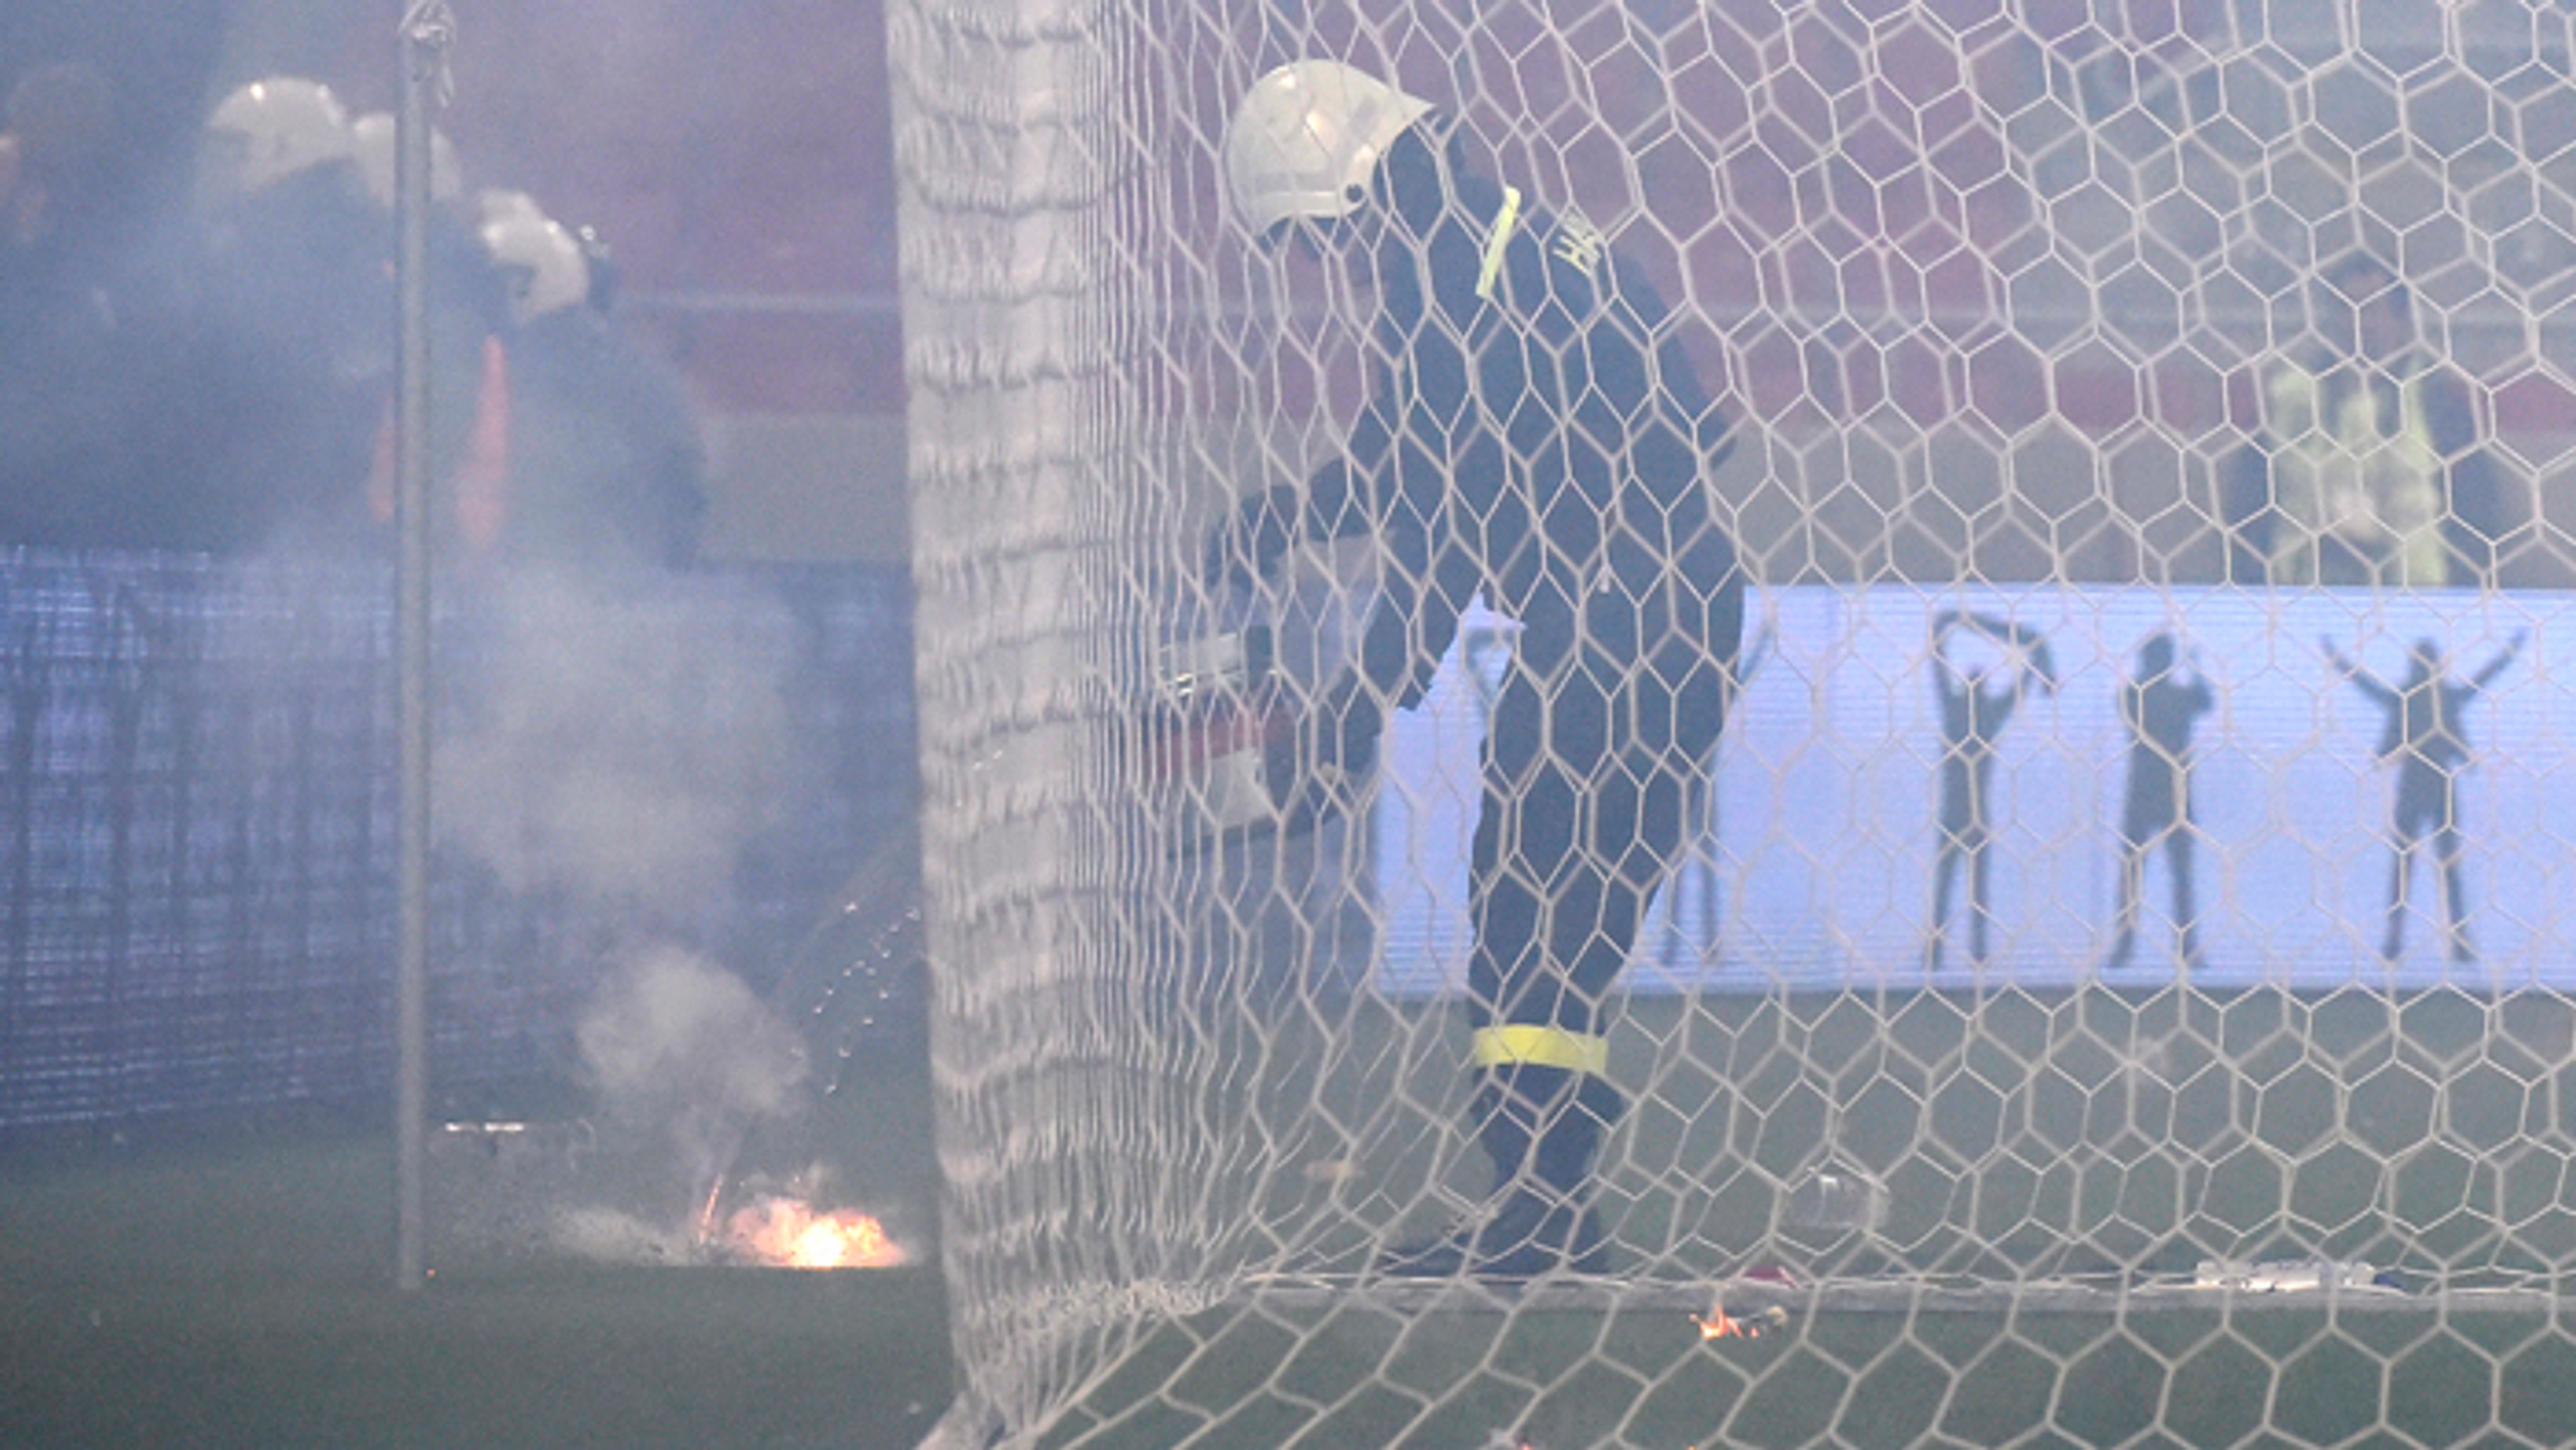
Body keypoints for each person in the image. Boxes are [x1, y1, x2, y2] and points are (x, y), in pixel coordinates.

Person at [1206, 60, 1744, 1278]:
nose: (1324, 266)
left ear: (1354, 192)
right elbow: (1431, 451)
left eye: (1313, 237)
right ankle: (1549, 1215)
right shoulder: (1515, 244)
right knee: (1564, 930)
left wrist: (1354, 707)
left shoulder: (1452, 279)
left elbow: (1443, 518)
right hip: (1662, 614)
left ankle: (1536, 1222)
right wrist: (1296, 514)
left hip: (1612, 630)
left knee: (1522, 921)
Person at [2225, 254, 2502, 588]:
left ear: (2402, 321)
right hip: (2299, 600)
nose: (2357, 323)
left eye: (2370, 308)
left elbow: (2475, 515)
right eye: (2344, 308)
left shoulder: (2439, 406)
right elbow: (2249, 509)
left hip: (2418, 601)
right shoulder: (2287, 401)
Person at [2321, 631, 2525, 964]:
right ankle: (2431, 940)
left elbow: (2366, 685)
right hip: (2431, 785)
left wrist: (2337, 658)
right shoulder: (2438, 696)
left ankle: (2422, 940)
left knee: (2417, 864)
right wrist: (2511, 652)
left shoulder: (2415, 697)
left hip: (2422, 786)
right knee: (2431, 865)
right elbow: (2481, 680)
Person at [1923, 609, 2056, 973]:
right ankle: (1964, 949)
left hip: (1959, 813)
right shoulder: (1986, 716)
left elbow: (1938, 659)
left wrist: (1952, 625)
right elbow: (2017, 686)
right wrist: (2031, 657)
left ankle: (1945, 949)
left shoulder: (1958, 711)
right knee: (1968, 886)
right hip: (1972, 814)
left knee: (1958, 885)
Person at [2104, 632, 2214, 973]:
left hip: (2154, 792)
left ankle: (2145, 946)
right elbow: (2204, 702)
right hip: (2163, 792)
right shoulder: (2156, 696)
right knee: (2153, 873)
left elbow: (2205, 703)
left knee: (2146, 872)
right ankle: (2179, 947)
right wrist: (2195, 670)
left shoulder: (2136, 694)